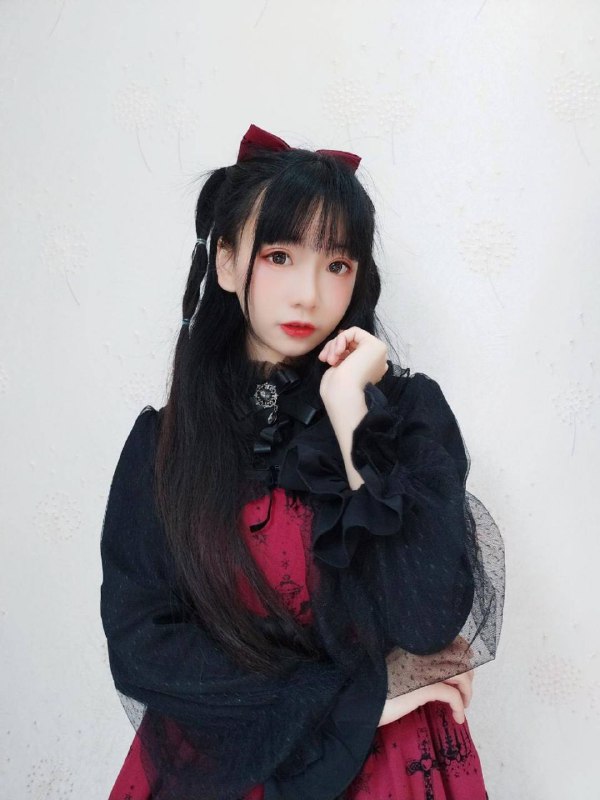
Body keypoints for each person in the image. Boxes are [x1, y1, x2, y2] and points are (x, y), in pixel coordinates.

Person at [100, 123, 505, 800]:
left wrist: (352, 420)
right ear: (227, 262)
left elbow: (427, 617)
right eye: (280, 256)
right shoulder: (165, 444)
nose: (308, 294)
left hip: (391, 771)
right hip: (228, 759)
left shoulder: (409, 418)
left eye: (337, 264)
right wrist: (356, 700)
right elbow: (144, 647)